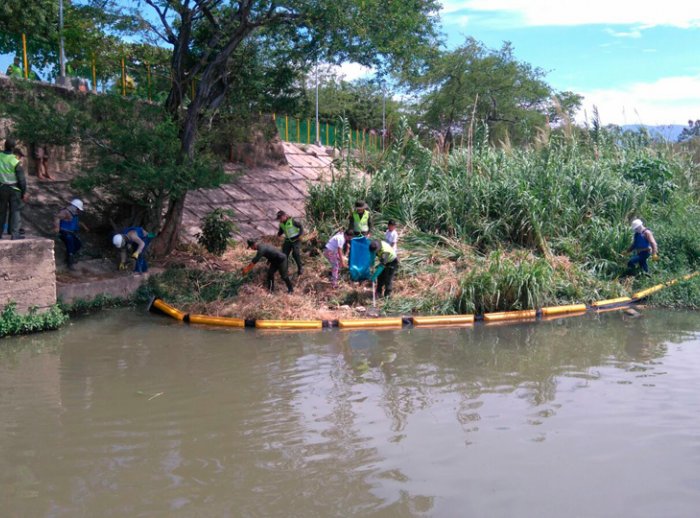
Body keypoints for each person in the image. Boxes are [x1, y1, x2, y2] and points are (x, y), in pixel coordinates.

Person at [0, 139, 27, 240]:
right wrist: (23, 192)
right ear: (13, 148)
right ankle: (14, 234)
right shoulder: (15, 161)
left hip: (2, 188)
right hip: (14, 189)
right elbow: (21, 180)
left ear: (5, 146)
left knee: (1, 211)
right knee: (15, 211)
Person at [54, 199, 88, 270]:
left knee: (78, 244)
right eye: (78, 209)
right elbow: (57, 217)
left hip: (71, 232)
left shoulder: (75, 213)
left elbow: (76, 222)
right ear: (75, 207)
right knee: (70, 242)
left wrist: (84, 226)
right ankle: (70, 262)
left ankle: (69, 256)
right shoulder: (65, 212)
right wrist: (57, 227)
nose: (79, 210)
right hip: (64, 232)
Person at [276, 210, 304, 275]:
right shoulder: (281, 224)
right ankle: (285, 270)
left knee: (295, 254)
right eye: (279, 218)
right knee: (284, 255)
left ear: (285, 216)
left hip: (296, 240)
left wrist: (300, 235)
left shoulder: (292, 221)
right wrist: (278, 235)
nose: (280, 219)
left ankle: (300, 268)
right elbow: (281, 231)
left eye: (280, 218)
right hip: (288, 240)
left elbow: (300, 226)